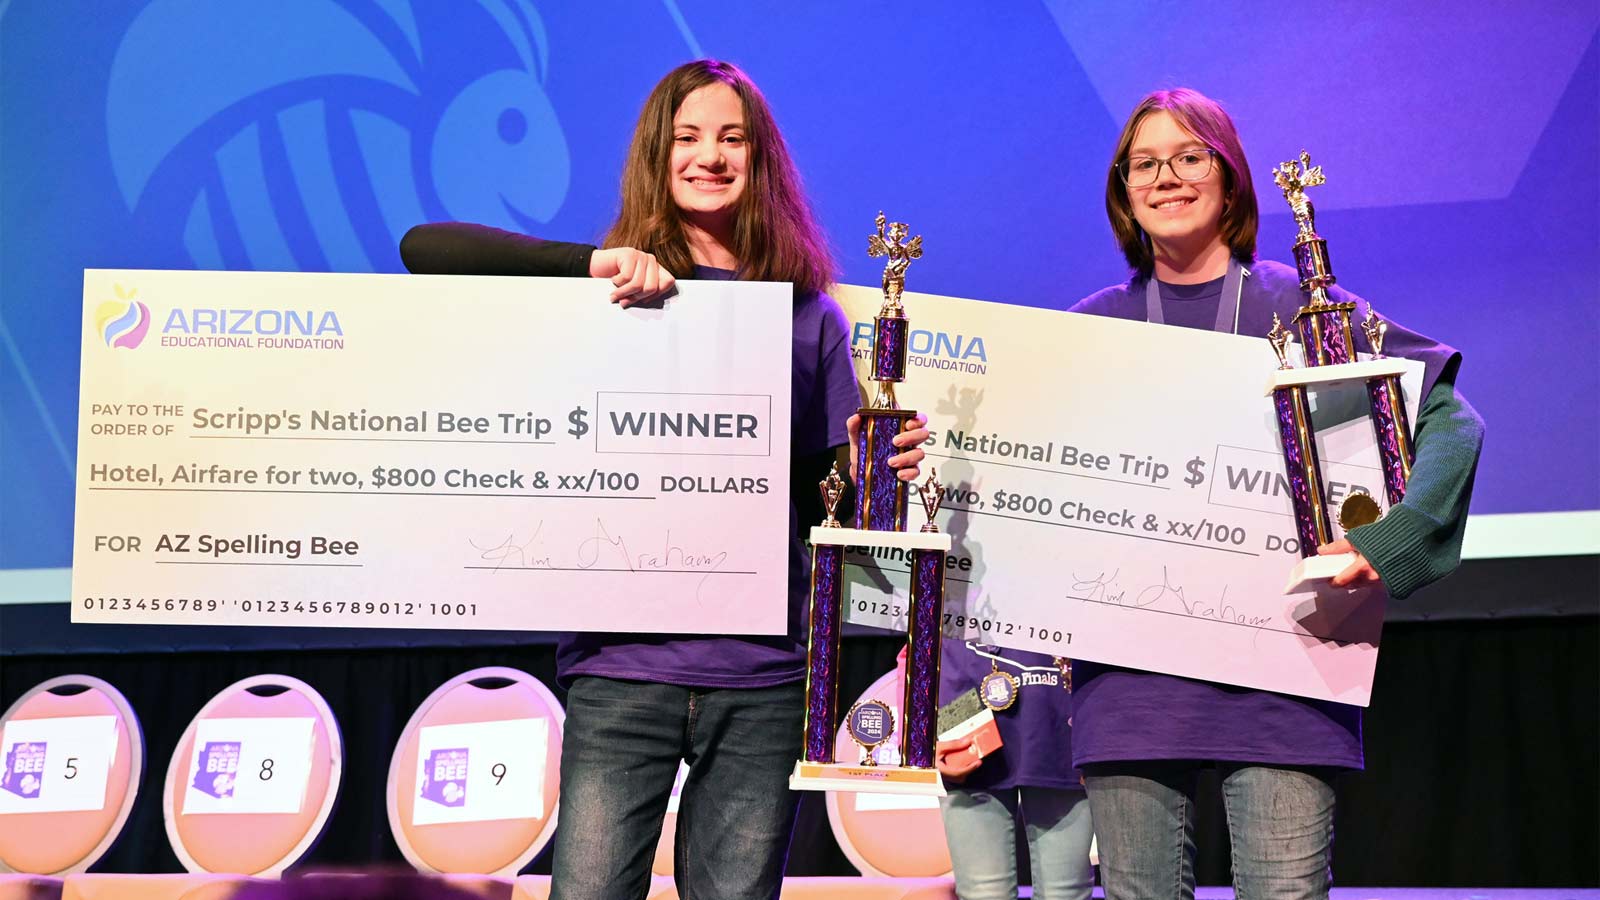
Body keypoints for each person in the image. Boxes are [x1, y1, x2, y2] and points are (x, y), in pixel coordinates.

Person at [399, 60, 927, 900]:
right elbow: (422, 249)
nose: (709, 157)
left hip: (762, 680)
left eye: (731, 139)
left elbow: (834, 510)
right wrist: (592, 264)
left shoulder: (806, 314)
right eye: (687, 138)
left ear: (762, 164)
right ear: (657, 154)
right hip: (620, 667)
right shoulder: (607, 291)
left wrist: (877, 472)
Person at [1066, 88, 1485, 898]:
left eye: (1190, 157)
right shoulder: (1089, 329)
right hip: (1132, 689)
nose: (1168, 178)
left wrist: (1386, 542)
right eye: (1144, 163)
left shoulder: (1308, 308)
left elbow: (1448, 418)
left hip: (1286, 670)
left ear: (1229, 179)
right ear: (1123, 188)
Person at [934, 642, 1093, 900]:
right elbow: (917, 635)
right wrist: (917, 736)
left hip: (1057, 709)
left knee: (1065, 892)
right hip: (961, 710)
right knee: (982, 894)